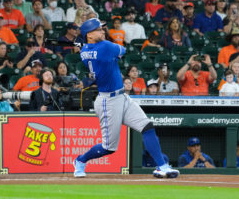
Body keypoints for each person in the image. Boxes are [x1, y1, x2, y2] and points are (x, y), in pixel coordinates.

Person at [74, 18, 180, 178]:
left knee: (147, 126)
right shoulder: (105, 46)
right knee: (108, 147)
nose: (103, 31)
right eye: (98, 29)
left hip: (122, 96)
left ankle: (162, 166)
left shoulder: (84, 51)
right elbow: (122, 50)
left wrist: (91, 47)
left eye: (102, 29)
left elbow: (96, 53)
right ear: (88, 34)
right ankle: (80, 160)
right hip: (107, 101)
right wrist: (110, 55)